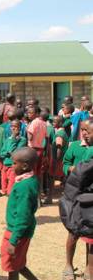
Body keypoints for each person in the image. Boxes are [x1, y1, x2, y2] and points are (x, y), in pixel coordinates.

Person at [0, 147, 39, 280]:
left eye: (14, 163)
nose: (11, 166)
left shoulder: (24, 186)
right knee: (19, 264)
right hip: (21, 230)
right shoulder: (29, 179)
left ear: (25, 166)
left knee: (12, 266)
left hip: (17, 232)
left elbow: (23, 216)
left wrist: (13, 240)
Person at [61, 119, 91, 280]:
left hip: (90, 197)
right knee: (73, 232)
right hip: (75, 195)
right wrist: (70, 169)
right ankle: (68, 264)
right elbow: (64, 163)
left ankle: (89, 267)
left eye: (88, 130)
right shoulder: (74, 146)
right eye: (83, 130)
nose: (85, 133)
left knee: (91, 236)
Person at [44, 116, 68, 205]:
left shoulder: (59, 134)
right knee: (63, 179)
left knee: (51, 178)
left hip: (57, 161)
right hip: (61, 160)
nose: (53, 123)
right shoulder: (63, 132)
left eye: (55, 122)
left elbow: (59, 148)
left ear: (60, 123)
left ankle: (49, 198)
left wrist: (55, 161)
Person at [0, 120, 27, 195]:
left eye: (15, 127)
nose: (13, 128)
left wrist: (14, 139)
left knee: (10, 189)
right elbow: (2, 153)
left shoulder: (22, 140)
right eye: (12, 126)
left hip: (13, 166)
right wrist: (7, 153)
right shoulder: (7, 139)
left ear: (19, 128)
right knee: (4, 187)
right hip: (5, 164)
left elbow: (14, 152)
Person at [26, 107, 47, 188]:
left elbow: (30, 138)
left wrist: (27, 130)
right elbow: (46, 137)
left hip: (32, 150)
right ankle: (39, 191)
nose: (29, 114)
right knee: (38, 172)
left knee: (31, 171)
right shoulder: (43, 123)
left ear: (37, 114)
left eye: (31, 113)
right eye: (28, 113)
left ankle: (32, 189)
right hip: (41, 150)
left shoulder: (33, 123)